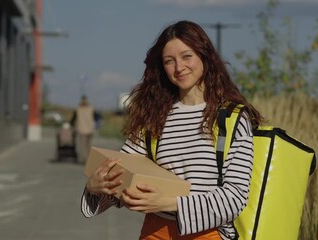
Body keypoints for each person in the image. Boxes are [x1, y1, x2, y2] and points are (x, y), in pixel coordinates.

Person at [81, 20, 263, 239]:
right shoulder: (153, 118)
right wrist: (96, 188)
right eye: (169, 61)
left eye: (187, 56)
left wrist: (170, 203)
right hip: (155, 232)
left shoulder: (231, 118)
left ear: (204, 56)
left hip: (209, 234)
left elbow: (235, 197)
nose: (179, 67)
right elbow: (124, 177)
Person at [70, 95, 96, 164]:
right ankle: (88, 159)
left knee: (83, 146)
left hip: (81, 129)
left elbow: (73, 119)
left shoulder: (78, 109)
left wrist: (71, 125)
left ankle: (85, 159)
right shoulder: (91, 108)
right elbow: (96, 117)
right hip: (90, 129)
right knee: (88, 145)